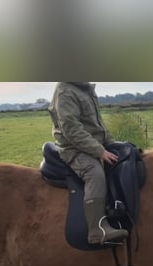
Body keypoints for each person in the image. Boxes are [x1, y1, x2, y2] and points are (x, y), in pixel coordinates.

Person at [48, 82, 128, 245]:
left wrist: (114, 144)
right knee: (95, 173)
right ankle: (97, 229)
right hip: (74, 149)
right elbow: (71, 129)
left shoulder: (85, 89)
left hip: (94, 144)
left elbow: (97, 125)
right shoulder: (65, 92)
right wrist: (99, 151)